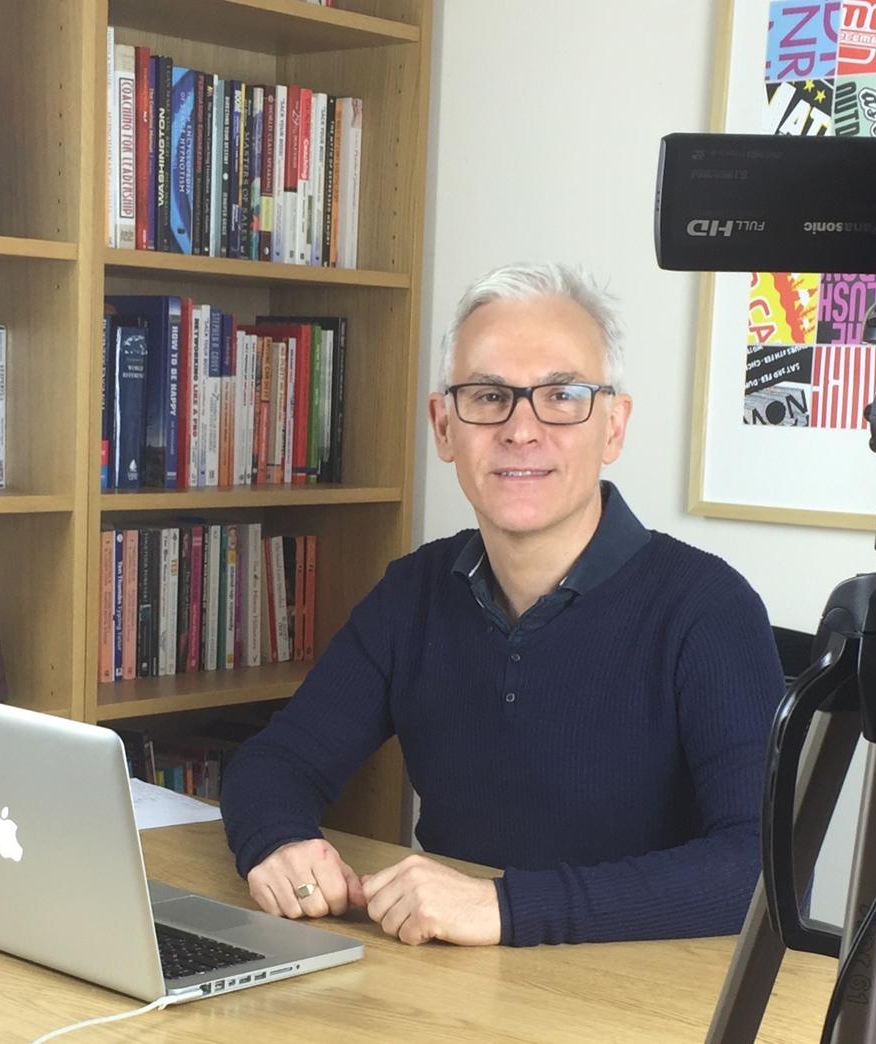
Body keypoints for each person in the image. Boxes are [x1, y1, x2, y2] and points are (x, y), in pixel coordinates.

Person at [221, 262, 784, 947]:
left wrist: (505, 908)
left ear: (613, 426)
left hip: (643, 990)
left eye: (562, 395)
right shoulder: (413, 593)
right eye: (488, 396)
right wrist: (278, 843)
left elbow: (759, 872)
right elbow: (276, 761)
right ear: (443, 426)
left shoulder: (709, 609)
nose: (521, 429)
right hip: (450, 981)